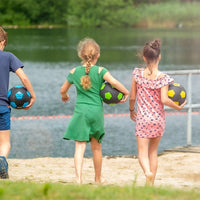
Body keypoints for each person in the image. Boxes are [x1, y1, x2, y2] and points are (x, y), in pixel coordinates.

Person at [60, 37, 129, 184]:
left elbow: (63, 89)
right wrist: (126, 93)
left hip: (81, 112)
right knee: (96, 148)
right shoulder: (100, 71)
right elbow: (114, 82)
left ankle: (78, 179)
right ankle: (98, 179)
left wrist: (64, 95)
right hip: (96, 113)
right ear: (97, 55)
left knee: (79, 146)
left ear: (80, 55)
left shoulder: (74, 72)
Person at [129, 39, 186, 186]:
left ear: (144, 57)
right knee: (153, 152)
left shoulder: (137, 74)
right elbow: (165, 100)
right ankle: (151, 184)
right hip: (158, 120)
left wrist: (131, 110)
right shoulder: (163, 78)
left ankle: (147, 173)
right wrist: (178, 107)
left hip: (142, 119)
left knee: (142, 153)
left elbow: (133, 96)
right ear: (159, 56)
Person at [0, 26, 36, 179]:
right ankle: (1, 160)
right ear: (2, 42)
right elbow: (24, 78)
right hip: (2, 106)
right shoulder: (8, 57)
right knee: (5, 142)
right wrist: (32, 95)